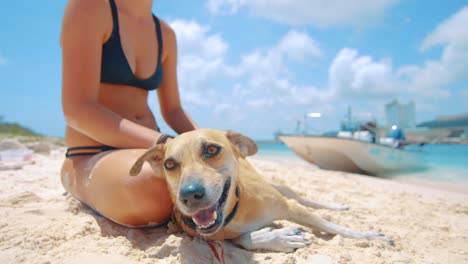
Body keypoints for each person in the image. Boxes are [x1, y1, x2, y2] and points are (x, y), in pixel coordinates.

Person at [60, 0, 198, 227]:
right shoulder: (90, 7)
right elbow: (77, 110)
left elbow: (173, 110)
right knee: (152, 189)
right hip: (93, 152)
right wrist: (164, 142)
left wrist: (212, 143)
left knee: (211, 176)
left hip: (150, 148)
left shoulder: (166, 34)